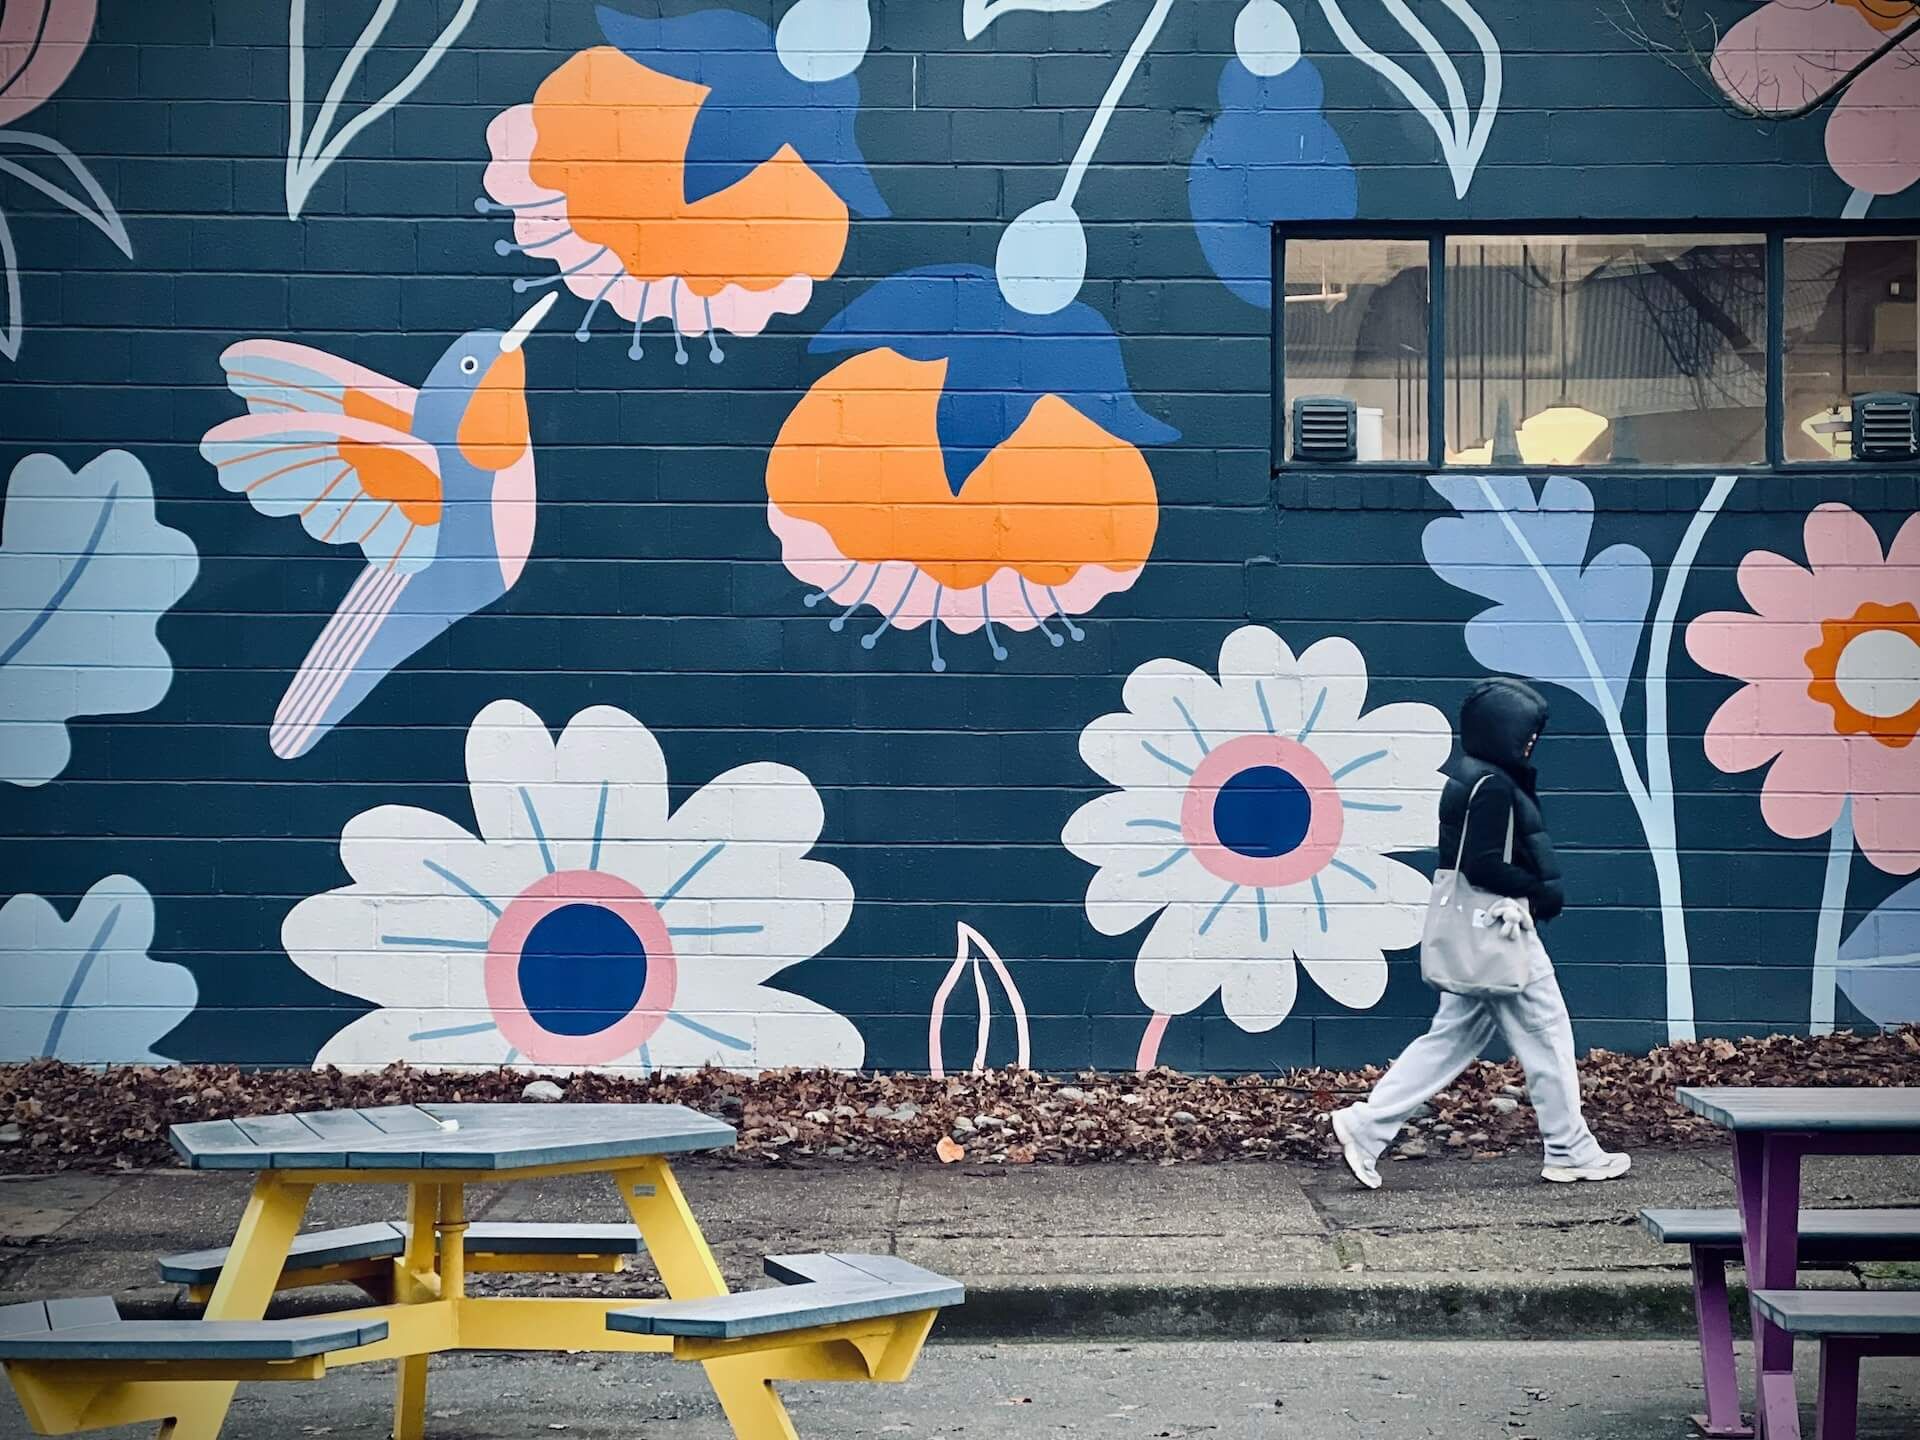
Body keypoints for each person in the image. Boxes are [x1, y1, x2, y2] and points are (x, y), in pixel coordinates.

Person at [1329, 676, 1631, 1188]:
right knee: (1548, 1036)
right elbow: (1481, 863)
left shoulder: (1476, 776)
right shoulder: (1491, 786)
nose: (1532, 741)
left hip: (1483, 932)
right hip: (1500, 929)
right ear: (1503, 731)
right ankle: (1570, 1149)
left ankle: (1366, 1125)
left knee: (1448, 1040)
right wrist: (1538, 890)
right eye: (1526, 731)